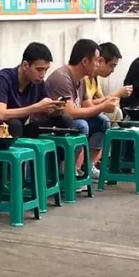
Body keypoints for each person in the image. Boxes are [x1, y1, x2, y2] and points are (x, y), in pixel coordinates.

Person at [46, 39, 116, 176]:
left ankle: (87, 166)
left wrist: (106, 107)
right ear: (85, 61)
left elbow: (88, 106)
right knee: (81, 125)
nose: (98, 64)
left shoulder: (82, 79)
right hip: (53, 121)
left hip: (69, 119)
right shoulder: (62, 77)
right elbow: (70, 113)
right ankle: (68, 170)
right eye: (96, 60)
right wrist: (102, 105)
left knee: (102, 122)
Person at [0, 42, 68, 138]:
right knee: (15, 124)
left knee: (64, 120)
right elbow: (0, 114)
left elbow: (46, 109)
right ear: (25, 65)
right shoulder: (3, 79)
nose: (43, 74)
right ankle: (16, 152)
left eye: (46, 70)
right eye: (39, 69)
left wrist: (56, 110)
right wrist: (36, 108)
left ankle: (56, 152)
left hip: (22, 129)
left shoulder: (38, 82)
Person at [84, 42, 132, 124]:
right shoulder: (84, 77)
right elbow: (87, 104)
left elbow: (102, 100)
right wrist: (117, 94)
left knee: (116, 111)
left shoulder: (95, 78)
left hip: (91, 112)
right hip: (84, 113)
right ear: (100, 61)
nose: (112, 70)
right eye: (111, 65)